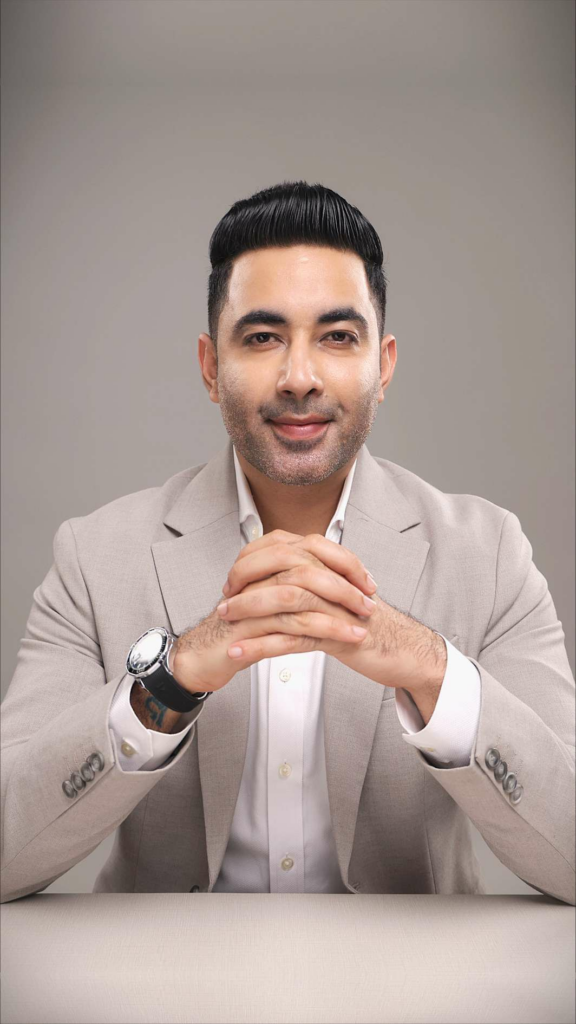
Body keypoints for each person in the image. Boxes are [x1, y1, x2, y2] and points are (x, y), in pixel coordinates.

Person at [1, 181, 574, 905]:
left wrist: (432, 670)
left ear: (383, 366)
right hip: (163, 974)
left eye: (337, 337)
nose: (300, 378)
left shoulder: (488, 555)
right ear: (211, 367)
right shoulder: (93, 558)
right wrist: (170, 680)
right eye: (262, 337)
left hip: (414, 975)